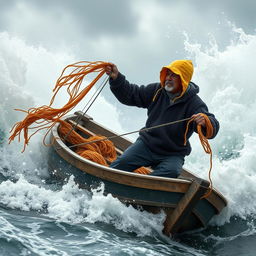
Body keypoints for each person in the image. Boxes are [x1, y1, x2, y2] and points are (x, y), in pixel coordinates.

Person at [105, 60, 219, 178]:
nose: (168, 78)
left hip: (173, 154)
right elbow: (133, 94)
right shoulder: (157, 90)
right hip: (146, 145)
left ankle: (141, 190)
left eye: (174, 75)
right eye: (167, 74)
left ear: (183, 79)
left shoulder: (195, 103)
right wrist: (116, 78)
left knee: (172, 172)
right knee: (119, 166)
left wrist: (205, 122)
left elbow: (212, 124)